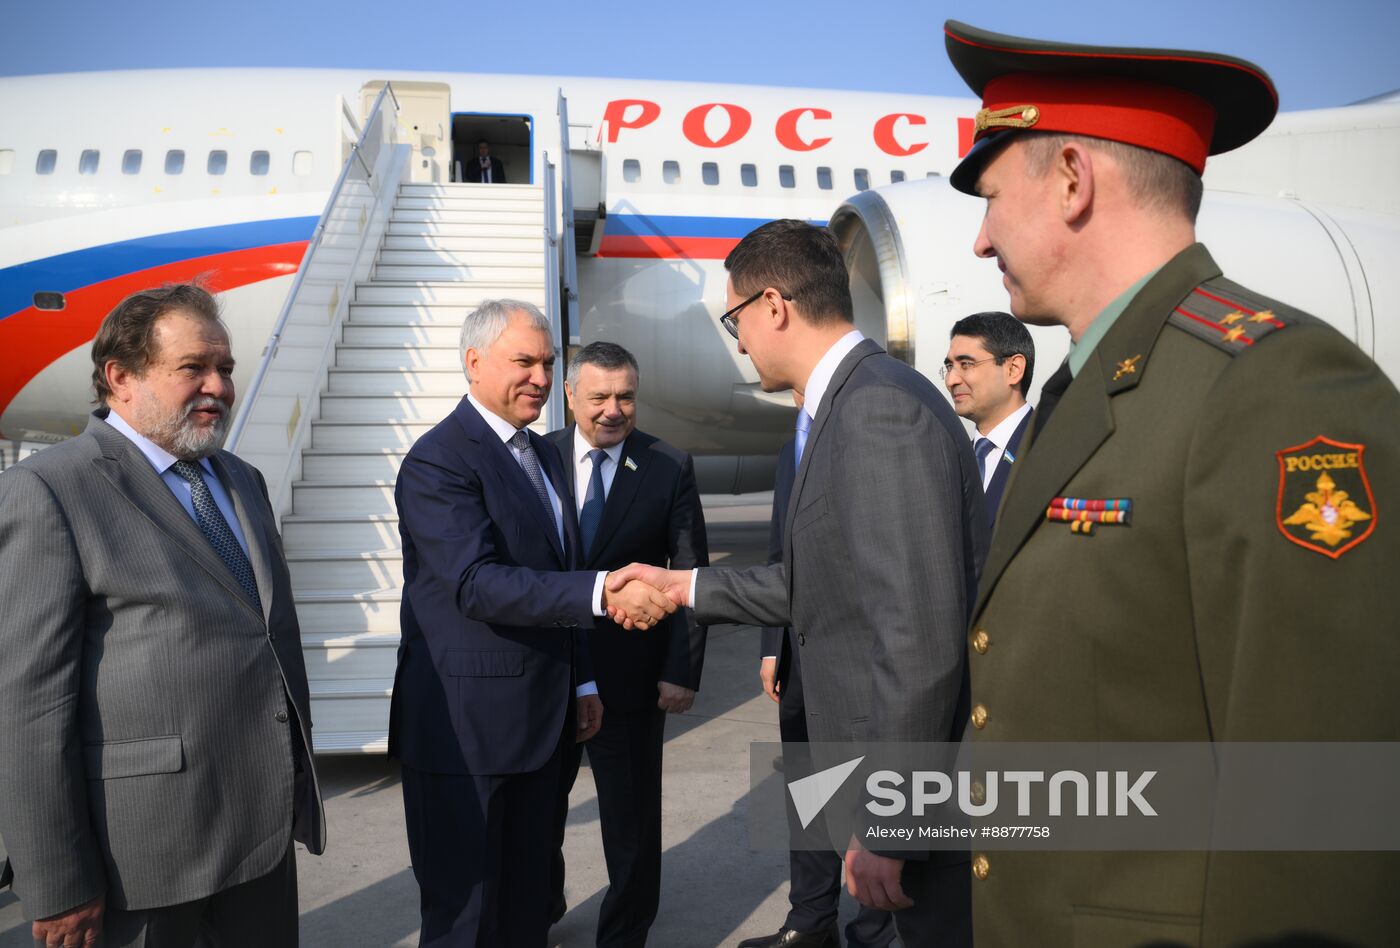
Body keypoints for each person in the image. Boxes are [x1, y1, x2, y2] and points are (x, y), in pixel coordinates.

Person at [943, 19, 1400, 946]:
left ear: (1072, 180)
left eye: (990, 198)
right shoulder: (1087, 388)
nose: (981, 241)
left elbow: (1323, 803)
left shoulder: (1274, 387)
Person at [610, 220, 987, 946]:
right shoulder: (845, 404)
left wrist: (891, 820)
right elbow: (821, 584)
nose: (740, 340)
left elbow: (917, 635)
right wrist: (682, 585)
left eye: (736, 318)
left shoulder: (877, 409)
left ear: (774, 305)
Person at [0, 283, 325, 948]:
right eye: (193, 368)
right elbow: (28, 708)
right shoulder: (51, 490)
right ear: (121, 377)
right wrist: (59, 883)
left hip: (259, 846)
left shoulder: (240, 481)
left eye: (226, 369)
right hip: (142, 863)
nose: (217, 386)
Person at [389, 300, 675, 947]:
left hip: (542, 728)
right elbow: (475, 582)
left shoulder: (544, 458)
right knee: (468, 921)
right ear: (473, 363)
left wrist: (581, 684)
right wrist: (604, 591)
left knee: (525, 915)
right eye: (525, 361)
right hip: (467, 734)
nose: (542, 377)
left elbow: (557, 564)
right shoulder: (439, 461)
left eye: (547, 363)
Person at [545, 341, 709, 947]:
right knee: (539, 809)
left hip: (631, 674)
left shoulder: (668, 465)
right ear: (570, 396)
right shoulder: (536, 458)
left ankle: (625, 932)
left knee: (631, 819)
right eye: (599, 397)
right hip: (547, 670)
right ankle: (540, 906)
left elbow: (692, 571)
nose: (613, 410)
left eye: (626, 397)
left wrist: (682, 670)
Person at [746, 393, 895, 948]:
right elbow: (776, 554)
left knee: (866, 797)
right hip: (799, 656)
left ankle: (874, 930)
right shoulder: (791, 449)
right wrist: (771, 645)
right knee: (807, 794)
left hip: (857, 658)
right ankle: (810, 922)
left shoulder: (868, 439)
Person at [941, 312, 1034, 525]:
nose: (951, 380)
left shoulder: (1049, 447)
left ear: (1013, 369)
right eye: (949, 367)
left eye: (966, 364)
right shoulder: (954, 461)